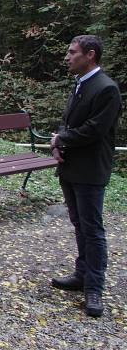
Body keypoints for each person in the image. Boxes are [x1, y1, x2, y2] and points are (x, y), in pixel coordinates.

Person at [49, 35, 121, 318]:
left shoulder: (106, 89)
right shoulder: (80, 85)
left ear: (90, 55)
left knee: (93, 228)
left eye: (72, 53)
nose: (67, 57)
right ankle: (81, 275)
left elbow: (94, 130)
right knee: (79, 223)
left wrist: (61, 138)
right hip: (70, 166)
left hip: (91, 169)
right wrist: (58, 144)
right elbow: (68, 122)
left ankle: (94, 288)